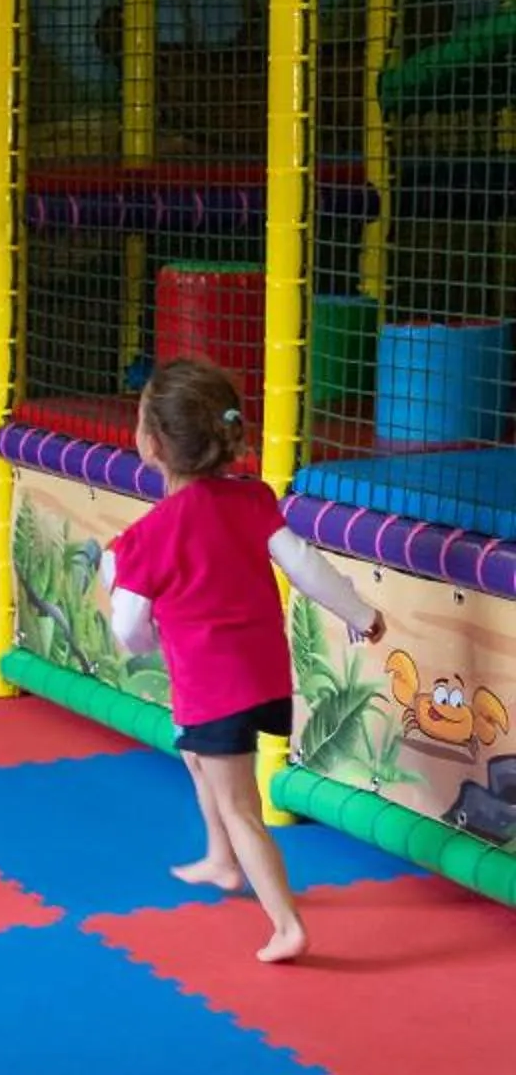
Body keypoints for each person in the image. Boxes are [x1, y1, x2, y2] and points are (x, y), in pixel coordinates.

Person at [106, 356, 383, 964]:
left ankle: (286, 924)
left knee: (241, 806)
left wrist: (147, 643)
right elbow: (307, 567)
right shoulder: (252, 499)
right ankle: (221, 857)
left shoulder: (150, 536)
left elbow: (126, 626)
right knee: (196, 754)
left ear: (151, 444)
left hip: (214, 686)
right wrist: (361, 615)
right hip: (262, 676)